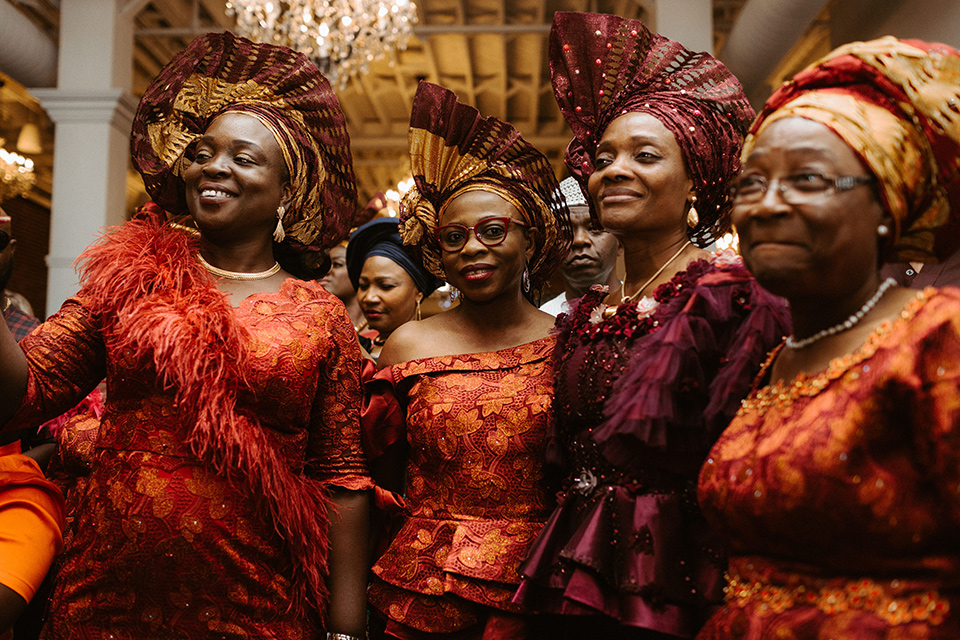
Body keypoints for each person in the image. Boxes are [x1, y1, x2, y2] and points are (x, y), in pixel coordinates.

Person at [0, 32, 372, 638]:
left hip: (258, 600)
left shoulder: (319, 314)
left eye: (244, 158)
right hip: (105, 591)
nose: (214, 166)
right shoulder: (128, 274)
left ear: (288, 194)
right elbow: (25, 394)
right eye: (202, 151)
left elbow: (342, 479)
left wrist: (345, 629)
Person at [514, 12, 791, 638]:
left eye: (644, 156)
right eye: (604, 157)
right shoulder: (591, 306)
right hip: (575, 557)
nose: (613, 170)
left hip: (679, 570)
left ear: (696, 179)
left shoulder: (732, 296)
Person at [697, 37, 960, 639]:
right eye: (750, 184)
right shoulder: (778, 358)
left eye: (807, 180)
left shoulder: (937, 335)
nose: (765, 207)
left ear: (887, 207)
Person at [362, 81, 571, 639]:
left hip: (536, 581)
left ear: (530, 241)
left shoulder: (568, 340)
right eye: (453, 238)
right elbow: (376, 474)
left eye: (492, 231)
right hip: (421, 586)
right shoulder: (409, 344)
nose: (472, 248)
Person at [347, 217, 443, 360]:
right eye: (363, 286)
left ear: (418, 293)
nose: (369, 297)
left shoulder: (430, 356)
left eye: (386, 286)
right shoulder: (354, 348)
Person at [540, 177, 621, 317]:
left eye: (594, 228)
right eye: (566, 232)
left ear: (621, 242)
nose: (579, 240)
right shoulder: (543, 320)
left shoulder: (644, 308)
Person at [320, 242, 367, 333]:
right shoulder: (317, 323)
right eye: (323, 265)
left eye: (337, 264)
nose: (327, 270)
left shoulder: (383, 328)